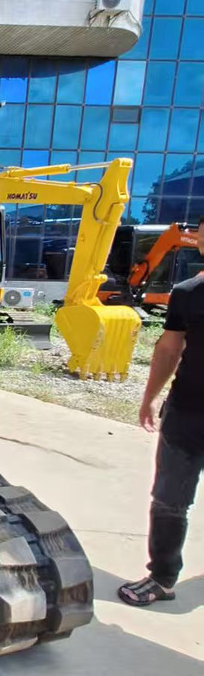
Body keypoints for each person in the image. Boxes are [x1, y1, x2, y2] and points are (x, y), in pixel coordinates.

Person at [119, 216, 204, 606]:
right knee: (170, 498)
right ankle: (162, 578)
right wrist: (149, 397)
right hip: (188, 413)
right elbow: (169, 348)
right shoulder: (188, 292)